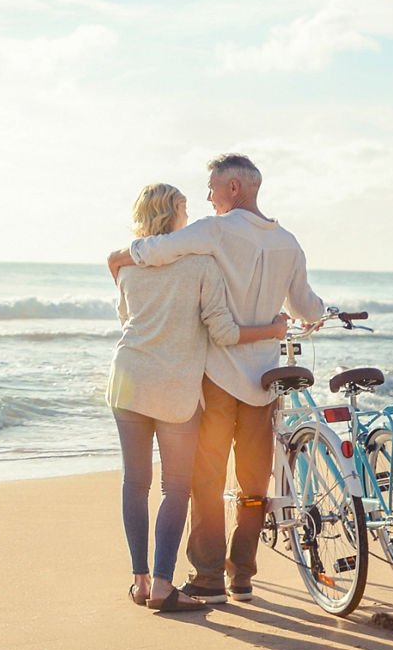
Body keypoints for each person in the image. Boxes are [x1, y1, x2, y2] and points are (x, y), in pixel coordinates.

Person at [107, 154, 324, 604]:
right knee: (253, 480)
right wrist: (320, 317)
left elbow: (159, 250)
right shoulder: (288, 241)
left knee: (204, 478)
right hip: (264, 377)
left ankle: (207, 576)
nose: (207, 197)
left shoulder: (214, 231)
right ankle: (242, 573)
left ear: (233, 189)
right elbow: (307, 306)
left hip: (219, 374)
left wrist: (121, 258)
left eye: (212, 188)